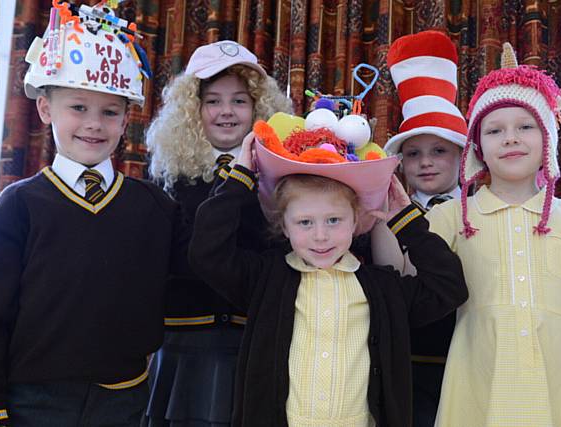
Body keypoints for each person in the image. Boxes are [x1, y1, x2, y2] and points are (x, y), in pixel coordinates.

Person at [0, 3, 187, 426]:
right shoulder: (19, 205)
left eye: (109, 112)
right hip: (29, 404)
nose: (93, 124)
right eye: (78, 108)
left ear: (127, 120)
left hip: (124, 403)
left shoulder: (156, 207)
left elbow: (197, 281)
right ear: (46, 110)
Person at [187, 120, 469, 426]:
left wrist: (406, 221)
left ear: (356, 221)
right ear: (284, 226)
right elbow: (207, 252)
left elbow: (448, 286)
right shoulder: (266, 280)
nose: (320, 236)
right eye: (305, 222)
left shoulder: (383, 289)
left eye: (334, 220)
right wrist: (240, 176)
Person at [429, 43, 561, 427]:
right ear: (478, 146)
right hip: (478, 393)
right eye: (495, 130)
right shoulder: (450, 217)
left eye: (525, 126)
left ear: (547, 138)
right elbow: (399, 273)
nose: (510, 138)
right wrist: (379, 206)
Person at [143, 40, 292, 426]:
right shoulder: (168, 179)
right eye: (213, 101)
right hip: (184, 344)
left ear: (259, 109)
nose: (227, 111)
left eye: (240, 101)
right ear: (193, 110)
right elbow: (179, 259)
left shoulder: (283, 180)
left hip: (257, 341)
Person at [383, 30, 467, 427]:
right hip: (405, 362)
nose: (426, 163)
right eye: (413, 153)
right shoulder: (385, 218)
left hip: (465, 357)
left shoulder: (478, 212)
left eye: (439, 151)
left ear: (461, 155)